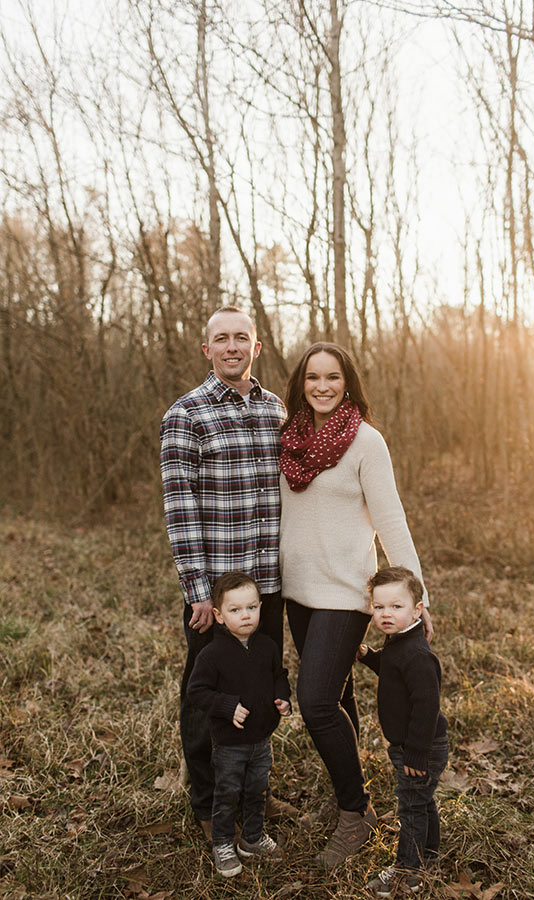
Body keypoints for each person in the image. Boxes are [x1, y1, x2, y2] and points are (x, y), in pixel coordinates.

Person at [278, 341, 432, 869]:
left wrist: (417, 594)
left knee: (315, 701)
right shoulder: (289, 438)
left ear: (348, 383)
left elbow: (391, 520)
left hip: (345, 593)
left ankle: (356, 812)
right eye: (313, 377)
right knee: (338, 700)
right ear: (301, 382)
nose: (322, 386)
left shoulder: (366, 442)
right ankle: (346, 790)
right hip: (296, 591)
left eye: (333, 377)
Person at [160, 305, 295, 839]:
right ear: (207, 349)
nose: (233, 347)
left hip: (268, 587)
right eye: (222, 339)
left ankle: (252, 787)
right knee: (207, 692)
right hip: (215, 595)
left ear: (256, 347)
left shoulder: (276, 410)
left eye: (242, 338)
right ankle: (207, 799)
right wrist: (198, 593)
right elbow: (180, 509)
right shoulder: (185, 415)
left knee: (261, 686)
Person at [187, 571, 292, 878]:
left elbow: (278, 675)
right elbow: (197, 692)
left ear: (260, 606)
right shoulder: (212, 655)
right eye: (235, 610)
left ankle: (253, 837)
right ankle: (222, 842)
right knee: (228, 790)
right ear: (219, 616)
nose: (245, 616)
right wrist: (227, 706)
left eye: (251, 608)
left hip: (261, 740)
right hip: (229, 743)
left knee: (257, 789)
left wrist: (282, 697)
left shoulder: (267, 647)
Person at [357, 565, 448, 896]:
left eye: (396, 607)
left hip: (420, 746)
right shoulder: (398, 642)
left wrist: (416, 752)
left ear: (417, 610)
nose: (385, 614)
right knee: (421, 801)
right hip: (413, 746)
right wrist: (368, 656)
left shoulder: (418, 655)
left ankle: (407, 873)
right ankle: (430, 856)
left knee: (410, 805)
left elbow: (426, 706)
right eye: (378, 607)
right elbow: (391, 670)